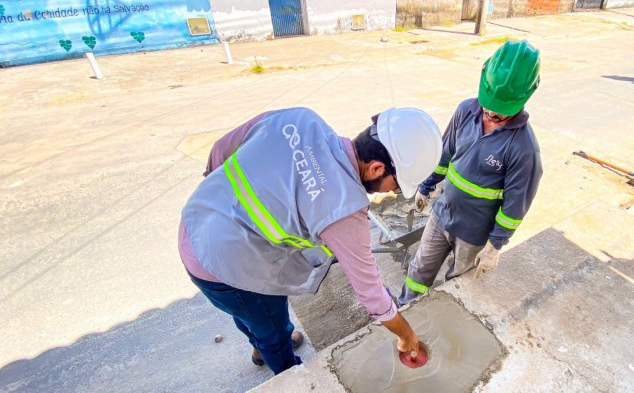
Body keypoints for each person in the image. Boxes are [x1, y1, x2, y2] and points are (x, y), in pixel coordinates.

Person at [178, 107, 442, 374]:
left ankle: (261, 341)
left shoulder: (300, 120)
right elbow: (371, 294)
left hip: (195, 219)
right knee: (267, 321)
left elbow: (221, 149)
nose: (393, 193)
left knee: (248, 313)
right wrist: (406, 335)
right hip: (221, 265)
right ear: (376, 168)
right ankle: (283, 365)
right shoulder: (344, 209)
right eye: (396, 186)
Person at [397, 40, 543, 306]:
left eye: (498, 115)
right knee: (419, 271)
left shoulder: (524, 149)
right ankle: (406, 309)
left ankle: (447, 323)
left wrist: (495, 245)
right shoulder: (467, 110)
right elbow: (445, 152)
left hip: (474, 234)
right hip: (442, 215)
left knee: (458, 287)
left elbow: (515, 206)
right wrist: (427, 186)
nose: (488, 114)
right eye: (486, 105)